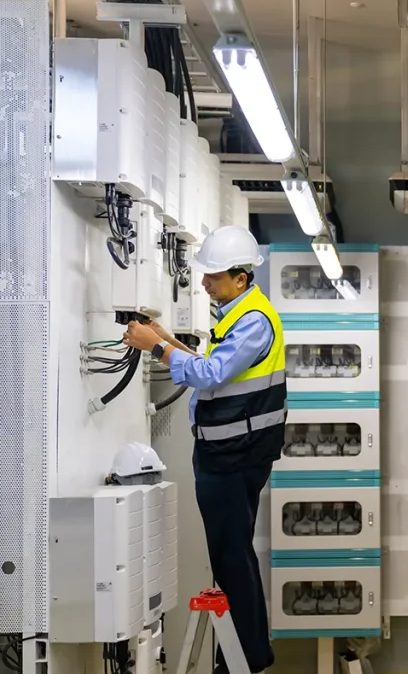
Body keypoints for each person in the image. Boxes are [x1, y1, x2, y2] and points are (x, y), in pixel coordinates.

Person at [123, 225, 284, 674]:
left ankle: (246, 658)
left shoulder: (252, 320)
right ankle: (238, 653)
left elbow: (211, 373)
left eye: (212, 276)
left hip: (235, 455)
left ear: (240, 276)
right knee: (231, 552)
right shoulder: (238, 312)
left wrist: (156, 348)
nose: (203, 283)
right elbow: (212, 365)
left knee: (231, 555)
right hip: (229, 452)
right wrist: (167, 339)